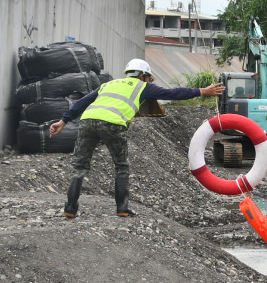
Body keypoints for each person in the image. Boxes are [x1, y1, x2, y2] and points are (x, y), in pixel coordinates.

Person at [50, 59, 224, 217]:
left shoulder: (109, 84)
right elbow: (173, 93)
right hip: (113, 123)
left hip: (87, 121)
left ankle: (70, 209)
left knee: (80, 167)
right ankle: (122, 209)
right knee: (121, 166)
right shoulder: (142, 86)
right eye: (149, 78)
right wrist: (202, 91)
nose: (149, 82)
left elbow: (82, 102)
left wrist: (62, 121)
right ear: (143, 75)